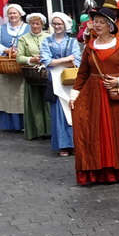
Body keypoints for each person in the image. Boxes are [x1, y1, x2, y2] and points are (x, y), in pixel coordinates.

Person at [70, 2, 119, 185]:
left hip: (117, 94)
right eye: (95, 21)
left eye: (101, 22)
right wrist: (74, 95)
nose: (97, 24)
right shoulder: (90, 46)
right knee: (95, 131)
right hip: (94, 94)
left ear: (110, 26)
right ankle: (98, 171)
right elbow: (83, 73)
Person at [40, 12, 81, 156]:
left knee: (72, 110)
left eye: (60, 24)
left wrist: (57, 61)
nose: (57, 26)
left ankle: (75, 143)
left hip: (70, 79)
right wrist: (66, 59)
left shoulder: (72, 42)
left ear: (65, 25)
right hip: (54, 79)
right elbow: (46, 61)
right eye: (55, 24)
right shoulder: (46, 41)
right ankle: (63, 144)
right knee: (59, 113)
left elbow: (76, 60)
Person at [0, 3, 30, 131]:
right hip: (5, 66)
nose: (12, 15)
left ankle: (25, 123)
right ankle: (9, 124)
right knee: (6, 95)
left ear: (20, 14)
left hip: (22, 66)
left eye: (15, 13)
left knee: (22, 94)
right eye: (10, 13)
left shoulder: (28, 28)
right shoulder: (1, 29)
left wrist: (21, 51)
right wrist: (7, 50)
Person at [16, 12, 51, 141]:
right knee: (35, 102)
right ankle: (37, 130)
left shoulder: (48, 37)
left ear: (42, 24)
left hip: (46, 73)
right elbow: (19, 57)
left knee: (48, 101)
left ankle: (50, 129)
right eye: (32, 23)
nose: (35, 26)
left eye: (37, 23)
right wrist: (32, 59)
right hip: (32, 74)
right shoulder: (23, 39)